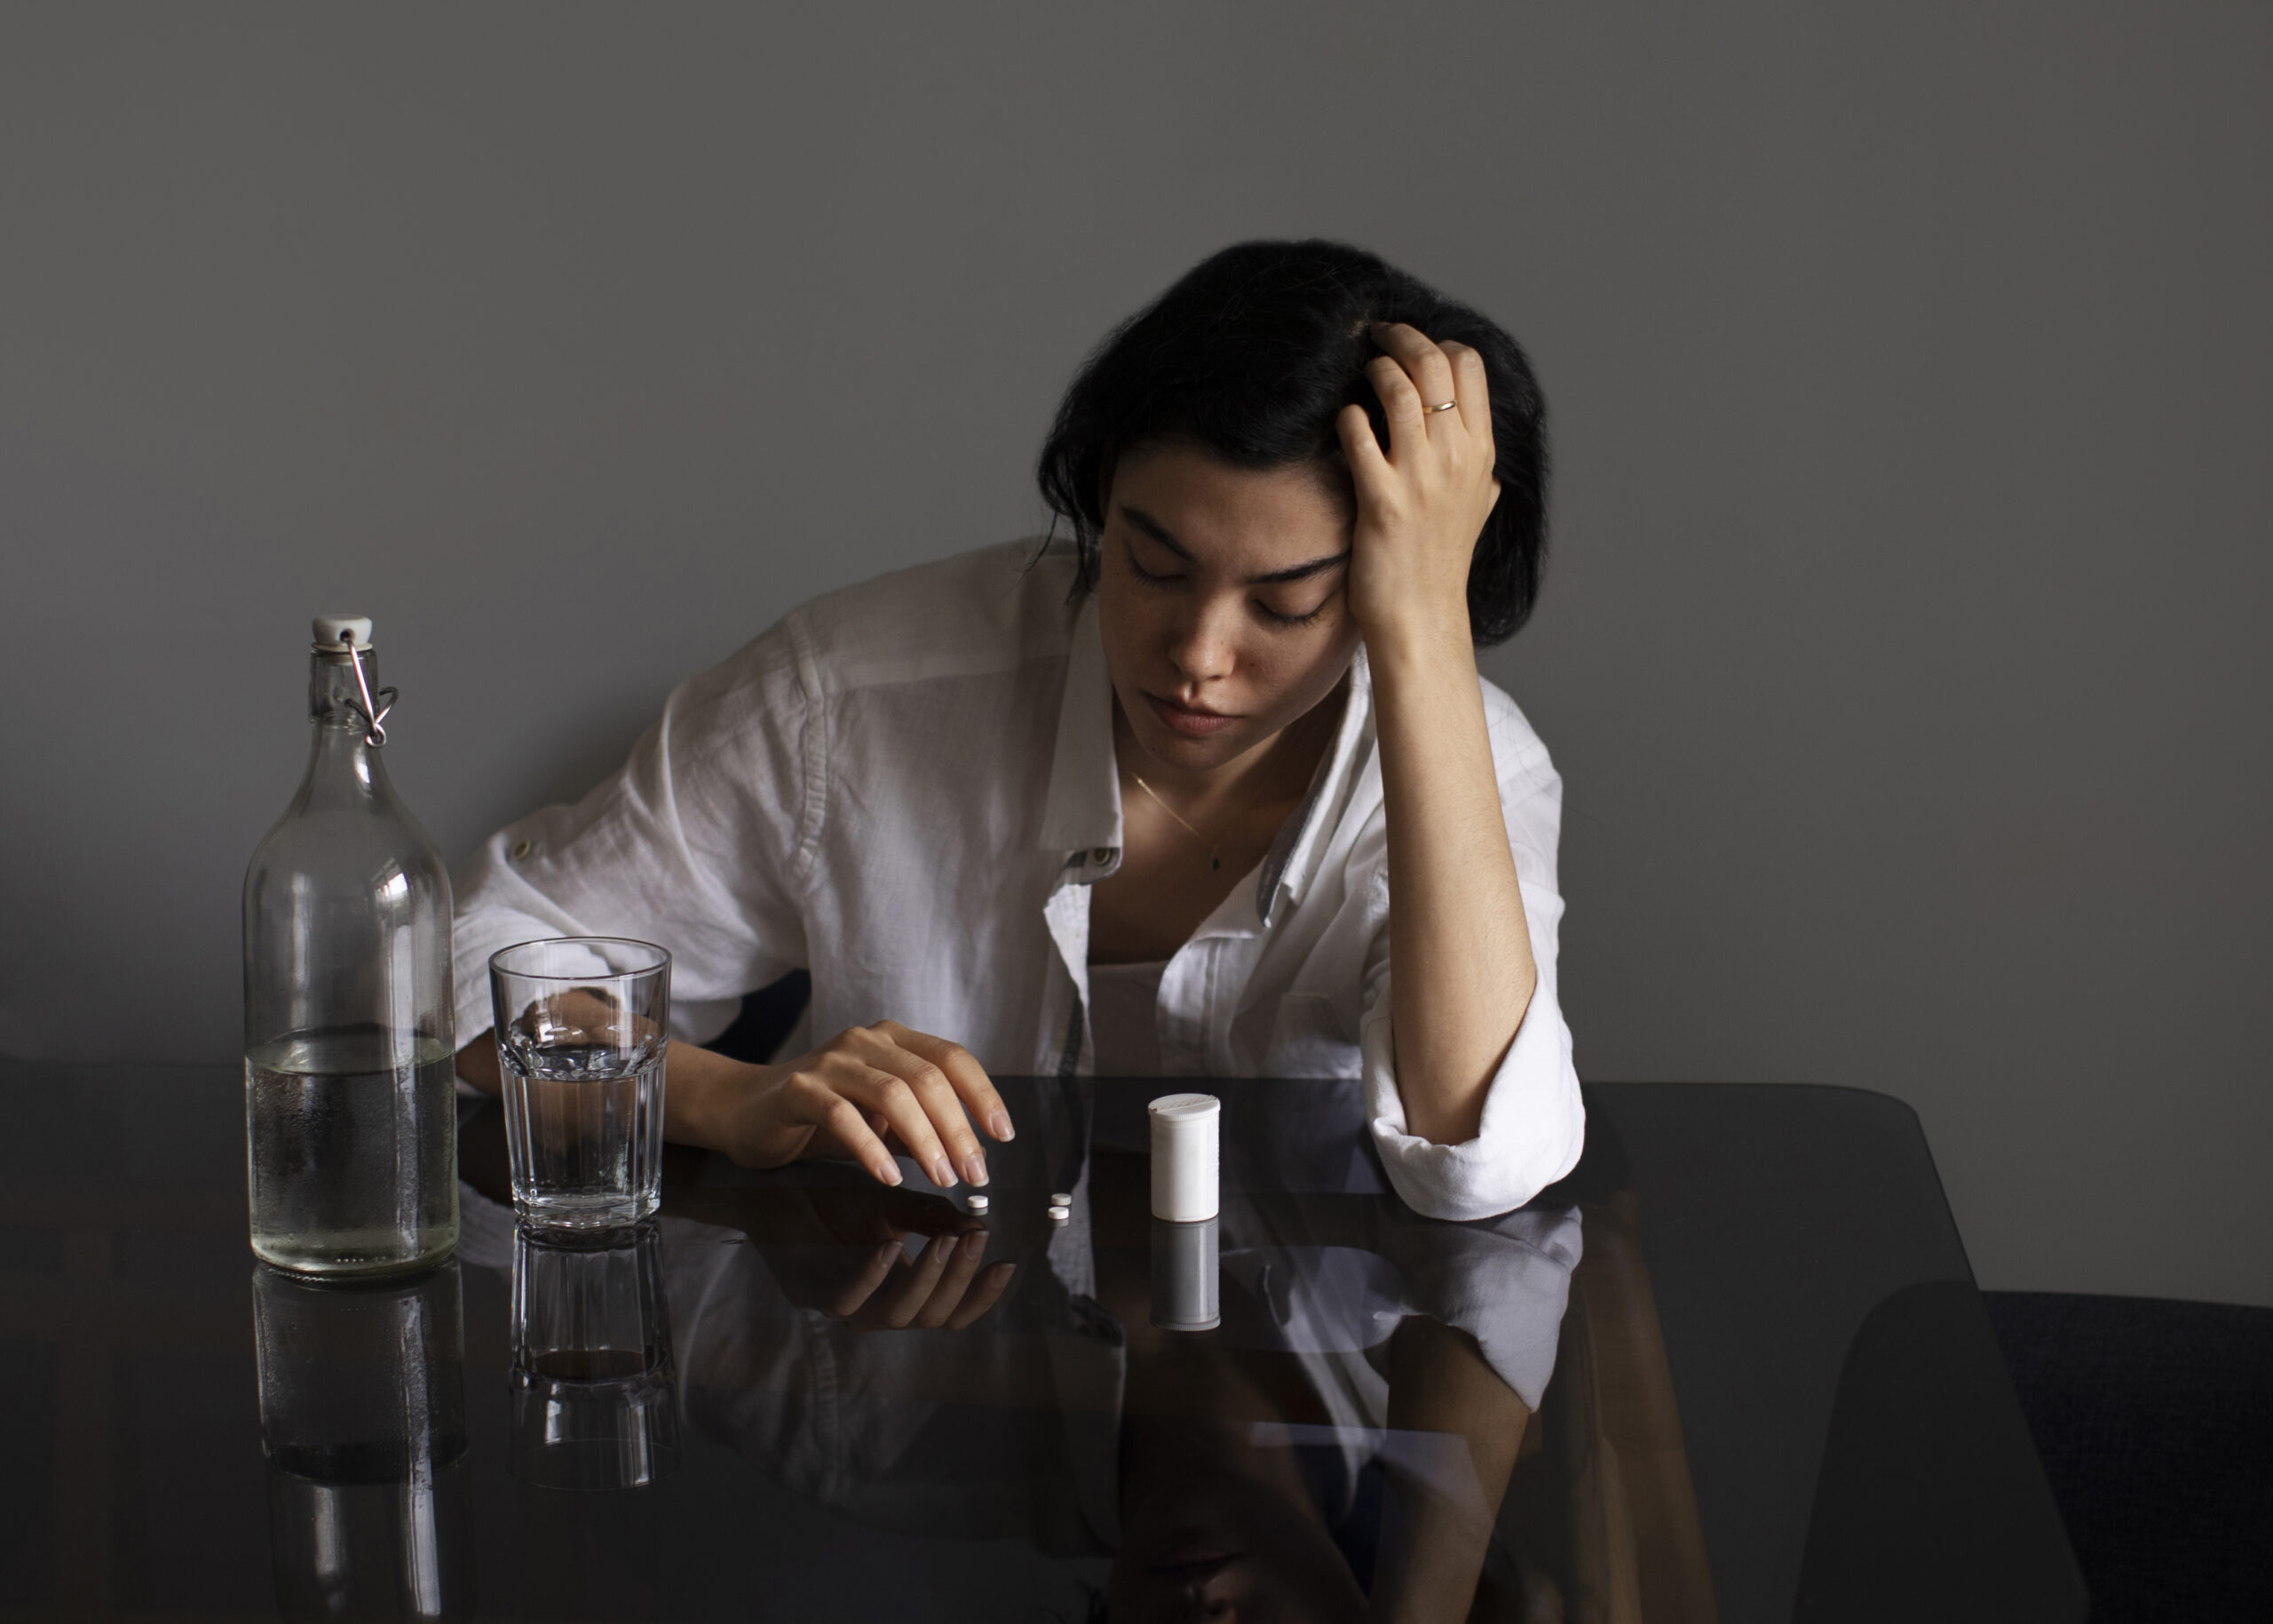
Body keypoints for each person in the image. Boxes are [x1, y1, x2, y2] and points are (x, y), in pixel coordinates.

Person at [453, 237, 1583, 1221]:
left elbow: (1479, 1156)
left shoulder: (1468, 760)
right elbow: (464, 963)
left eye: (1285, 605)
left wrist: (1427, 626)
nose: (1196, 653)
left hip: (1300, 1428)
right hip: (921, 1387)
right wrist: (722, 1091)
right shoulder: (853, 694)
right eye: (1151, 562)